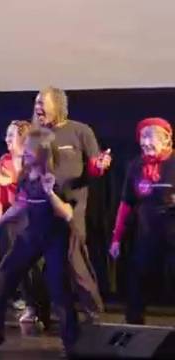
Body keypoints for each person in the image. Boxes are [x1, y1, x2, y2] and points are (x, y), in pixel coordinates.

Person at [0, 127, 79, 352]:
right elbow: (20, 204)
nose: (25, 152)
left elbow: (67, 214)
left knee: (58, 289)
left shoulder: (58, 177)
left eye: (30, 149)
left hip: (55, 237)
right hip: (32, 234)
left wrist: (50, 192)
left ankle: (72, 343)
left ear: (43, 152)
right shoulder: (25, 174)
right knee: (1, 279)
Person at [32, 87, 111, 320]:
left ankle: (96, 316)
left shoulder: (79, 131)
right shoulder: (36, 134)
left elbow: (94, 166)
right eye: (36, 102)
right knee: (50, 268)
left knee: (76, 264)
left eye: (42, 102)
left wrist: (100, 166)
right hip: (43, 207)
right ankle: (57, 318)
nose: (37, 107)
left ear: (57, 104)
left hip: (72, 209)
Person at [109, 117, 175, 324]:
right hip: (147, 233)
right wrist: (116, 239)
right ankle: (133, 331)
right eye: (142, 137)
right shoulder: (136, 166)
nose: (145, 142)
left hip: (172, 233)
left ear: (166, 140)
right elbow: (126, 205)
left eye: (151, 137)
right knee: (137, 283)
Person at [0, 120, 48, 324]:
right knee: (15, 262)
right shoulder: (4, 159)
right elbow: (0, 190)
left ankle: (42, 307)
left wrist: (12, 182)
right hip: (11, 216)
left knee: (34, 266)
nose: (6, 139)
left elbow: (29, 187)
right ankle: (29, 304)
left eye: (11, 135)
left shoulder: (31, 159)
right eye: (6, 135)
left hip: (30, 215)